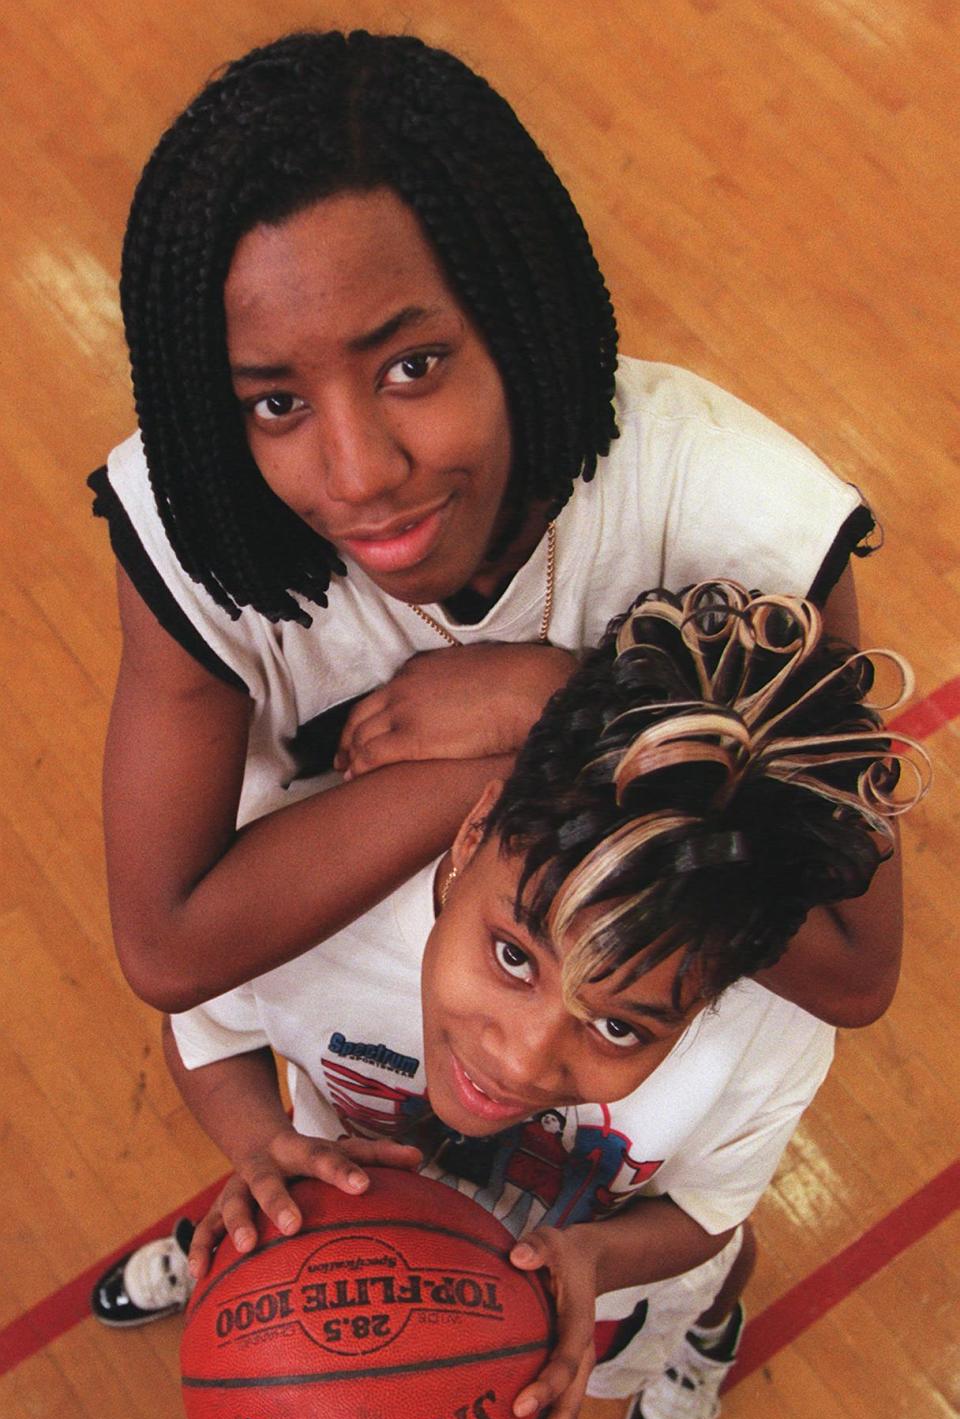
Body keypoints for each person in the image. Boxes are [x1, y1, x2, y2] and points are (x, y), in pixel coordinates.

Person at [90, 28, 898, 1043]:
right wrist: (544, 749)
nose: (360, 471)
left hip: (637, 1080)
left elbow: (857, 969)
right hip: (362, 1063)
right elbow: (166, 946)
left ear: (522, 319)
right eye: (276, 404)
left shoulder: (734, 517)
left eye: (412, 366)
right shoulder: (199, 523)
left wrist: (556, 699)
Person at [94, 584, 927, 1419]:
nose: (522, 1058)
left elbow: (706, 1209)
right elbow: (207, 1031)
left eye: (620, 1024)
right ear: (473, 830)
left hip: (593, 1283)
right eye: (512, 954)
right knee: (269, 1226)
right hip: (344, 1236)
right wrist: (261, 1145)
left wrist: (598, 1258)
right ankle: (253, 1248)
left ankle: (702, 1346)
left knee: (704, 1288)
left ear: (714, 999)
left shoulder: (769, 1035)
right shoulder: (318, 905)